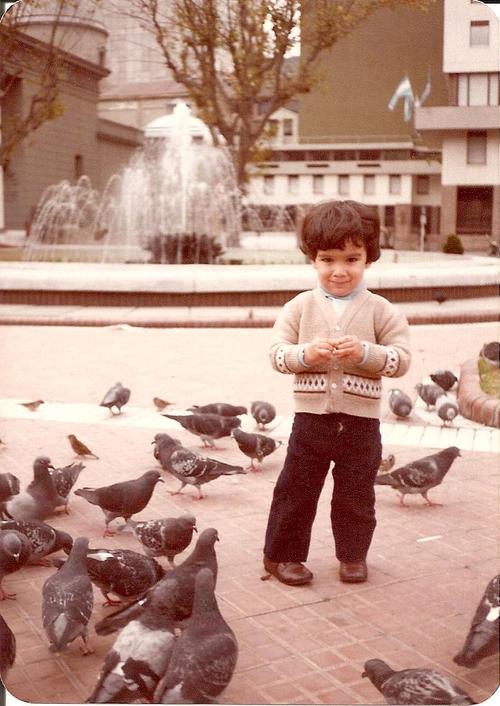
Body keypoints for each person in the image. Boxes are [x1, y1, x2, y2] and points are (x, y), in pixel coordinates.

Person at [262, 199, 411, 586]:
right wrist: (304, 354)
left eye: (351, 259)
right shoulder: (299, 307)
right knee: (296, 490)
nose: (339, 271)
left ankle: (352, 555)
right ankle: (282, 555)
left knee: (356, 495)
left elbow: (402, 358)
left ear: (368, 259)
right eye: (328, 260)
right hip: (311, 421)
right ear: (313, 260)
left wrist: (368, 353)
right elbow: (276, 354)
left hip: (361, 425)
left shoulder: (381, 311)